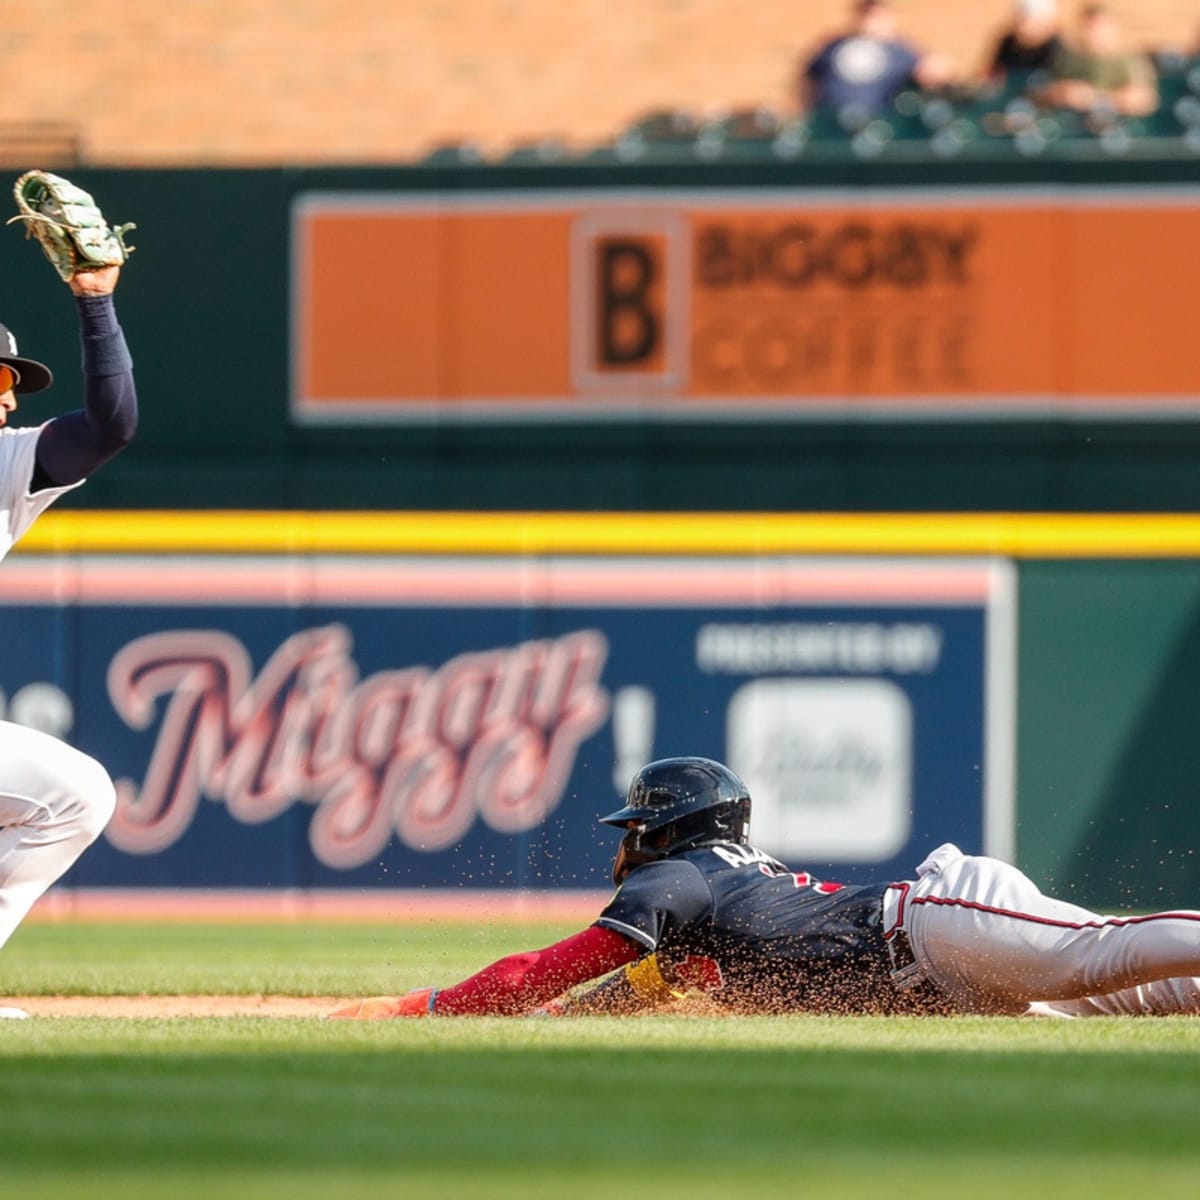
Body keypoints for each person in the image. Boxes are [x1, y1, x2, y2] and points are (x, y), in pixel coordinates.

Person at [328, 756, 1200, 1021]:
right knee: (1141, 997)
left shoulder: (678, 880)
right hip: (944, 980)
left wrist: (432, 1007)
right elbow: (618, 995)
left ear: (668, 830)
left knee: (1102, 955)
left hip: (933, 926)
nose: (626, 847)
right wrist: (554, 1027)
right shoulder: (717, 899)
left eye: (636, 827)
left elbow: (545, 971)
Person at [0, 260, 137, 1018]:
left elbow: (109, 427)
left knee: (75, 793)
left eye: (11, 387)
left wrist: (97, 301)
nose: (10, 398)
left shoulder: (3, 465)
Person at [797, 0, 958, 119]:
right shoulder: (834, 46)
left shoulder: (899, 51)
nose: (871, 23)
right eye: (867, 16)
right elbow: (807, 79)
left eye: (877, 17)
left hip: (876, 123)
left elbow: (933, 68)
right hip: (830, 122)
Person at [1034, 3, 1158, 117]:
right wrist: (1063, 94)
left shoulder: (1129, 60)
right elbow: (1041, 93)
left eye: (1099, 26)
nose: (1093, 32)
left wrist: (1095, 98)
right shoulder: (1067, 60)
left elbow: (1143, 100)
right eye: (1088, 26)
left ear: (1113, 27)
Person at [984, 0, 1066, 86]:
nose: (1019, 26)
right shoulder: (1008, 43)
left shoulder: (1057, 51)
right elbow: (993, 72)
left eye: (1024, 21)